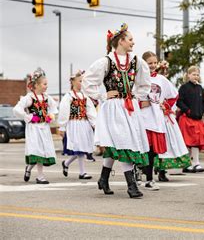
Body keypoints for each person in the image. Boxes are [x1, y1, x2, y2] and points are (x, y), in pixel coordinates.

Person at [82, 23, 151, 198]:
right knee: (123, 142)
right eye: (130, 39)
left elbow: (145, 83)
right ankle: (131, 185)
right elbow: (87, 82)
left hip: (129, 107)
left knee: (119, 144)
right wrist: (103, 94)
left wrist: (135, 94)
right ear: (121, 41)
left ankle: (104, 178)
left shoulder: (136, 61)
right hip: (112, 108)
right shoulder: (106, 62)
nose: (133, 43)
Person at [14, 68, 58, 184]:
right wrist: (28, 117)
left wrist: (51, 115)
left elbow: (54, 108)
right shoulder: (29, 98)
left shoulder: (47, 97)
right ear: (37, 85)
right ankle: (40, 176)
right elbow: (17, 109)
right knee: (37, 151)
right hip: (33, 128)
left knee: (42, 151)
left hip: (44, 127)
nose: (46, 86)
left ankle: (29, 168)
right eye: (44, 84)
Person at [58, 70, 97, 180]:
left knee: (82, 147)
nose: (82, 83)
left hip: (84, 124)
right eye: (80, 81)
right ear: (73, 82)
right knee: (79, 148)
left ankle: (66, 163)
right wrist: (62, 126)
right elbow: (64, 111)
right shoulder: (69, 96)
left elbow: (90, 110)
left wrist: (94, 123)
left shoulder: (85, 96)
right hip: (74, 124)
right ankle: (82, 172)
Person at [177, 66, 204, 173]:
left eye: (197, 74)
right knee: (188, 143)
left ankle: (196, 163)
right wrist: (187, 110)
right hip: (187, 119)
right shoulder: (184, 88)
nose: (196, 76)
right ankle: (187, 164)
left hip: (197, 120)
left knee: (196, 142)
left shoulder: (200, 88)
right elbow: (179, 101)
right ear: (188, 75)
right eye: (193, 74)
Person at [140, 51, 168, 190]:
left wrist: (164, 105)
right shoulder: (138, 78)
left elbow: (173, 94)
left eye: (154, 63)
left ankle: (149, 179)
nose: (152, 65)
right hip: (142, 118)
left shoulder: (161, 79)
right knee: (142, 149)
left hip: (155, 119)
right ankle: (139, 173)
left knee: (152, 150)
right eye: (149, 63)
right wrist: (140, 104)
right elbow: (130, 97)